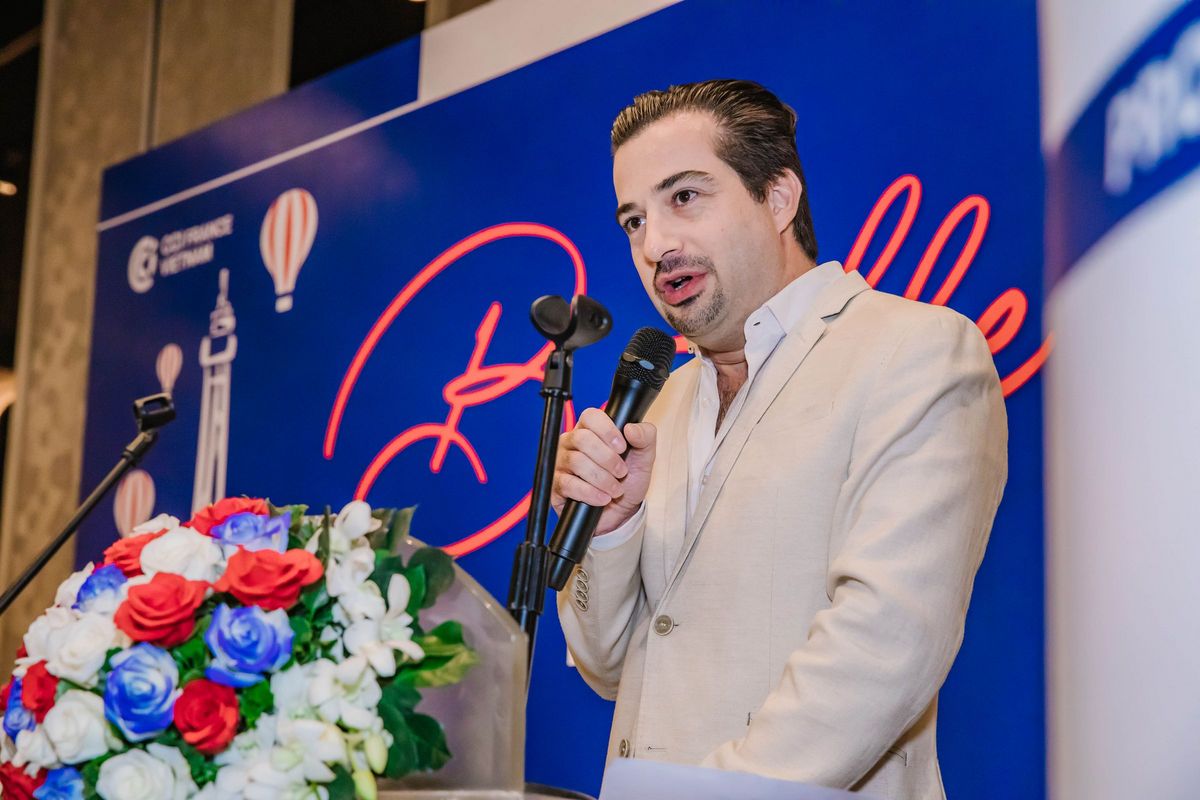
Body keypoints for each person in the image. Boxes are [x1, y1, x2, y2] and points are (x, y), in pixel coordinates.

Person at [552, 79, 1007, 799]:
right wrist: (610, 528)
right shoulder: (659, 404)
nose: (655, 244)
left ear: (778, 197)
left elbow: (886, 641)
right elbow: (611, 669)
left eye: (684, 197)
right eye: (634, 221)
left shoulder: (915, 350)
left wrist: (702, 796)